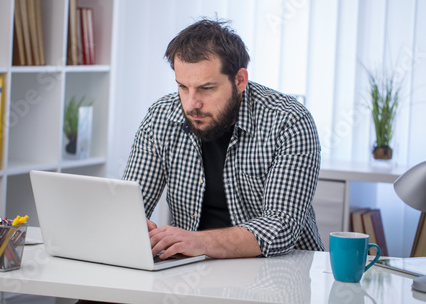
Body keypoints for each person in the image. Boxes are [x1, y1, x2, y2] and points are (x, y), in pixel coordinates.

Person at [123, 18, 324, 259]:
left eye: (206, 88)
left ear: (239, 80)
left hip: (281, 272)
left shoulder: (288, 120)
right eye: (183, 87)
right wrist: (128, 225)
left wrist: (198, 241)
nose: (191, 104)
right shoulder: (161, 116)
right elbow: (130, 207)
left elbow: (280, 226)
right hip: (191, 272)